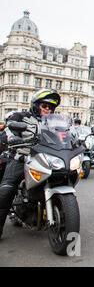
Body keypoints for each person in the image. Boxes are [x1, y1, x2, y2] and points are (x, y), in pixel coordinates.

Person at [0, 89, 61, 239]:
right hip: (23, 159)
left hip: (47, 160)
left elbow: (66, 136)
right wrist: (13, 138)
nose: (48, 109)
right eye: (44, 105)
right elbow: (8, 129)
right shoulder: (21, 117)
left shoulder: (54, 123)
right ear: (35, 105)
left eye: (51, 107)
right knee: (6, 190)